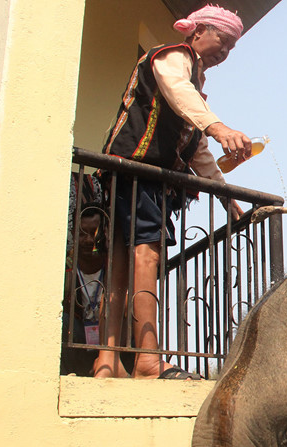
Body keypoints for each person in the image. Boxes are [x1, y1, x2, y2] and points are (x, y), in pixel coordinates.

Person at [94, 5, 249, 379]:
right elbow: (177, 91)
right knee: (146, 257)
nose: (223, 52)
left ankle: (107, 360)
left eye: (230, 48)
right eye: (221, 40)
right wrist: (218, 126)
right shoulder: (173, 57)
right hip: (140, 172)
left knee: (119, 267)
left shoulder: (195, 90)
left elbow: (197, 152)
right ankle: (148, 360)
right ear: (197, 32)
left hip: (125, 175)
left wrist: (228, 200)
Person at [61, 204, 134, 376]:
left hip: (110, 346)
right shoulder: (64, 270)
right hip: (77, 347)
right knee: (62, 321)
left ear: (104, 233)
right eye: (81, 233)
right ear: (72, 234)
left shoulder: (116, 270)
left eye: (94, 233)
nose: (88, 240)